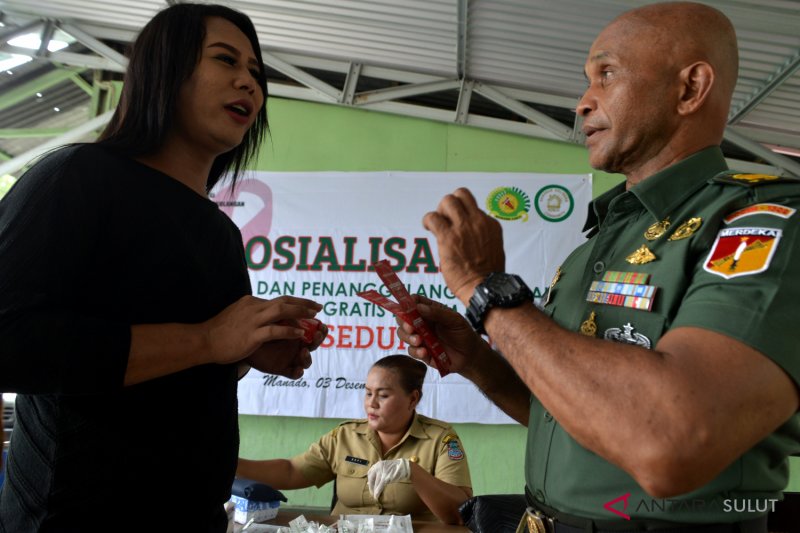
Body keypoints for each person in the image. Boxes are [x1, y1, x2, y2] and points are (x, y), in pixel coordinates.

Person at [398, 2, 800, 532]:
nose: (582, 103)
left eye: (606, 75)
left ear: (690, 88)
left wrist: (487, 293)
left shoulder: (761, 224)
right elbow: (578, 413)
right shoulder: (599, 239)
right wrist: (478, 360)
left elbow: (668, 442)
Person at [0, 4, 327, 532]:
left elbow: (188, 367)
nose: (249, 82)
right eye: (226, 60)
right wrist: (207, 341)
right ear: (164, 70)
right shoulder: (77, 177)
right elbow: (8, 340)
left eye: (257, 73)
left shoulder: (221, 233)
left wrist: (244, 353)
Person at [237, 354, 472, 524]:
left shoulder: (440, 439)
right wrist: (229, 465)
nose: (371, 403)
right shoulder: (345, 437)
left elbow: (460, 512)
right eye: (368, 393)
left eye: (383, 395)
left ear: (412, 399)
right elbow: (290, 471)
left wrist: (413, 472)